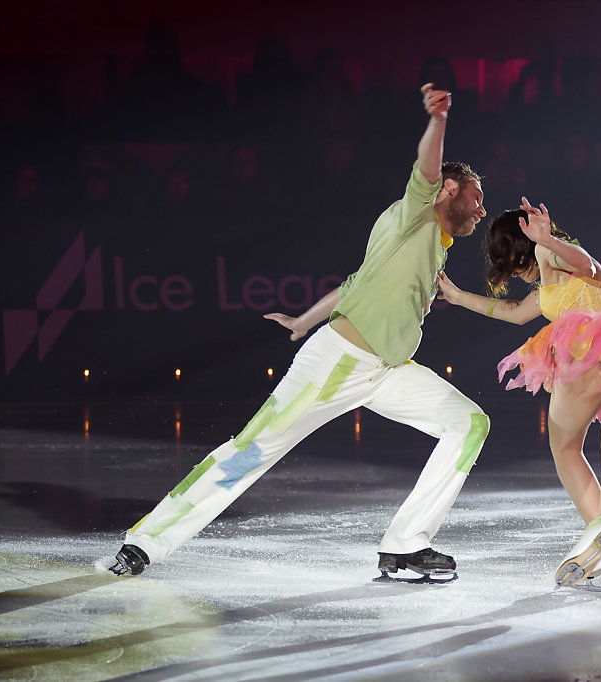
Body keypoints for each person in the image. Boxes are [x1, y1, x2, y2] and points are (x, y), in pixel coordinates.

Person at [102, 84, 490, 583]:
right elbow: (428, 171)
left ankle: (405, 545)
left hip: (387, 371)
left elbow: (355, 283)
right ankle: (144, 543)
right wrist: (438, 120)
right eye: (477, 198)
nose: (482, 210)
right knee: (252, 451)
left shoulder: (430, 243)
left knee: (468, 423)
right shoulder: (415, 212)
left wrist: (303, 320)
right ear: (450, 192)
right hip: (336, 365)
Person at [437, 199, 601, 587]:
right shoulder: (547, 283)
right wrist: (458, 297)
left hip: (590, 355)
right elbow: (512, 311)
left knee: (565, 448)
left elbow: (588, 264)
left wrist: (548, 242)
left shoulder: (549, 253)